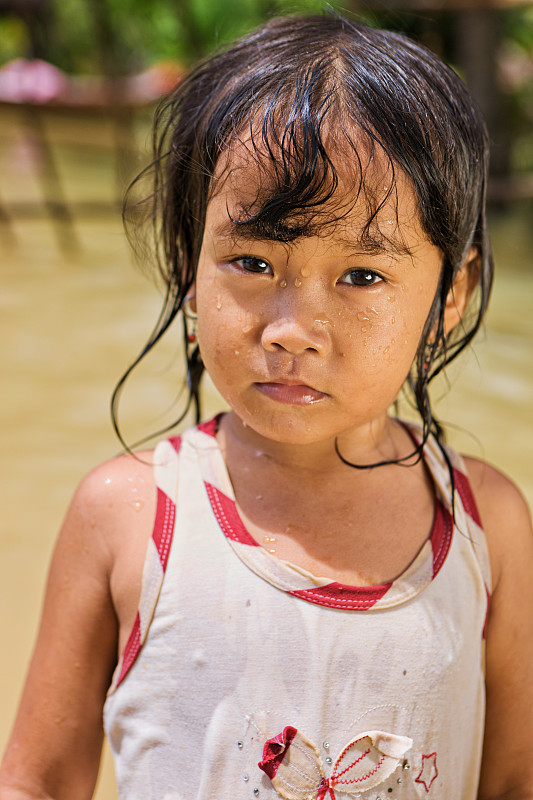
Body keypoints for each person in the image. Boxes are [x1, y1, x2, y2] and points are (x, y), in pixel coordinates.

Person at [1, 13, 532, 800]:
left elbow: (513, 777)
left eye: (360, 277)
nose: (291, 332)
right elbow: (37, 780)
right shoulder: (127, 514)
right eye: (250, 262)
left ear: (448, 297)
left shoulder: (484, 525)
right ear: (188, 267)